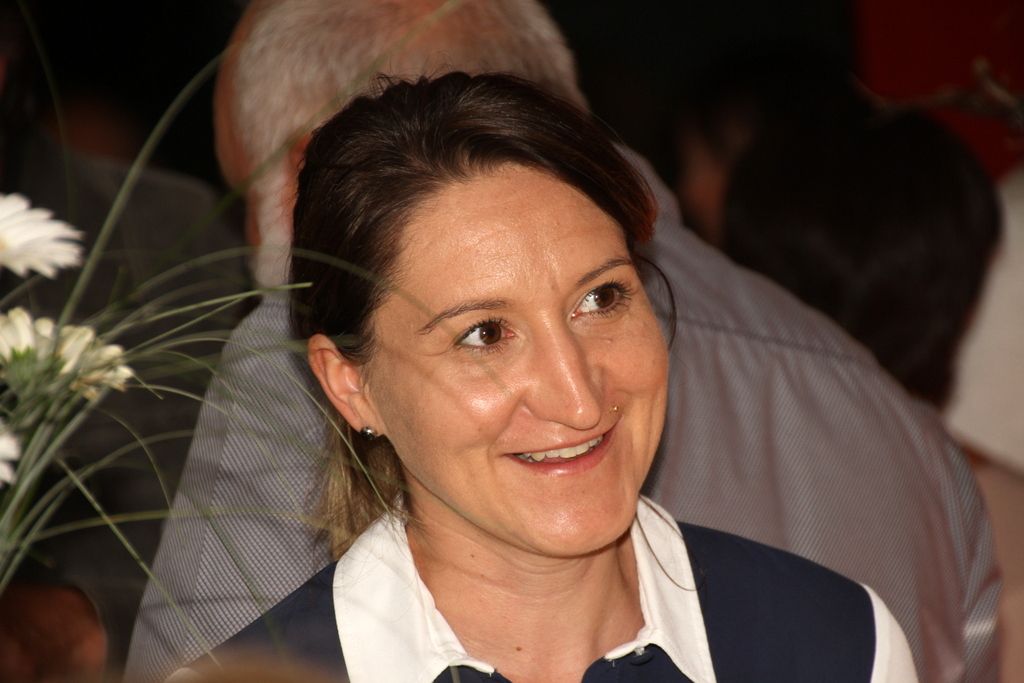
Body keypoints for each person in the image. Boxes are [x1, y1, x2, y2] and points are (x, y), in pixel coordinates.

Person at [128, 3, 999, 681]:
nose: (580, 398)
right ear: (349, 383)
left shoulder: (837, 643)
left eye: (600, 298)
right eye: (484, 333)